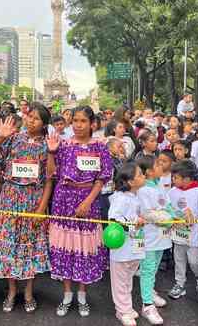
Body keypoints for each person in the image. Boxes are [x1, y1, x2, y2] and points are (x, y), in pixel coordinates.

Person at [0, 104, 53, 313]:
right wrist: (1, 137)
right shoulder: (14, 138)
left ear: (44, 124)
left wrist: (42, 208)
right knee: (10, 247)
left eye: (36, 118)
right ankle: (12, 291)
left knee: (29, 247)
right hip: (9, 198)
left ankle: (29, 291)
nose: (31, 121)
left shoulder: (47, 145)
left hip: (33, 200)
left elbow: (49, 179)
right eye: (29, 116)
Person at [47, 106, 112, 317]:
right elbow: (50, 173)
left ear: (92, 123)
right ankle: (67, 294)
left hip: (89, 202)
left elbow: (102, 178)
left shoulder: (100, 147)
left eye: (83, 121)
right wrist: (51, 152)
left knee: (84, 247)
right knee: (66, 247)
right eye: (75, 120)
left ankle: (82, 294)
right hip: (63, 201)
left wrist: (87, 202)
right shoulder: (63, 145)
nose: (78, 125)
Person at [108, 162, 146, 326]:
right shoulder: (120, 198)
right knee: (120, 281)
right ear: (130, 182)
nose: (143, 176)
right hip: (122, 249)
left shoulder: (135, 196)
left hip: (135, 247)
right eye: (140, 175)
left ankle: (127, 308)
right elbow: (113, 219)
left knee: (128, 279)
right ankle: (122, 311)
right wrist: (132, 225)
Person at [137, 155, 173, 324]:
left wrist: (178, 215)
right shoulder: (143, 189)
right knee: (148, 269)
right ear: (149, 172)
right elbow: (147, 213)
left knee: (155, 267)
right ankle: (147, 305)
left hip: (162, 237)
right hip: (150, 237)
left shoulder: (159, 186)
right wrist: (167, 219)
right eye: (158, 164)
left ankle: (149, 291)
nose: (162, 166)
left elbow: (168, 205)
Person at [167, 160, 198, 299]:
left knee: (195, 261)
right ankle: (180, 283)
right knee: (179, 259)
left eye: (176, 178)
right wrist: (173, 219)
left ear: (187, 179)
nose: (173, 180)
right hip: (178, 233)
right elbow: (169, 208)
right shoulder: (172, 192)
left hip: (194, 234)